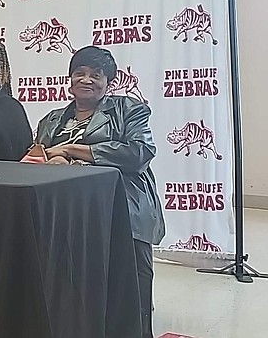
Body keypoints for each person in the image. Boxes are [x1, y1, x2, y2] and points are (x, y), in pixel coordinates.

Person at [33, 45, 165, 338]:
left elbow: (139, 151)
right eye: (79, 73)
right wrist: (49, 157)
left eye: (96, 75)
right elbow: (38, 155)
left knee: (131, 282)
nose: (86, 80)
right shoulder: (51, 119)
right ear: (69, 80)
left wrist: (72, 149)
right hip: (68, 208)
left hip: (123, 204)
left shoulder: (129, 109)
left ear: (109, 82)